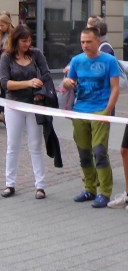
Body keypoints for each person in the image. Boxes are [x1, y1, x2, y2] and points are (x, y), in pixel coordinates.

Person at [62, 27, 120, 208]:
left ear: (98, 41)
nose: (85, 45)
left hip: (100, 110)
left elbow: (115, 88)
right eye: (82, 42)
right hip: (80, 111)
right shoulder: (76, 61)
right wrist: (66, 82)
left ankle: (105, 192)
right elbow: (69, 83)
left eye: (88, 41)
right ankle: (89, 188)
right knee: (84, 152)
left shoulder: (109, 60)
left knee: (99, 151)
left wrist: (107, 111)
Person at [0, 25, 51, 199]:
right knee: (12, 145)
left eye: (29, 40)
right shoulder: (7, 57)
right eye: (24, 41)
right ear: (16, 40)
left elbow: (46, 74)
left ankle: (40, 186)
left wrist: (39, 87)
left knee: (35, 145)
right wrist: (28, 83)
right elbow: (5, 83)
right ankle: (9, 184)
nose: (27, 44)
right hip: (13, 104)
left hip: (34, 104)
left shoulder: (36, 55)